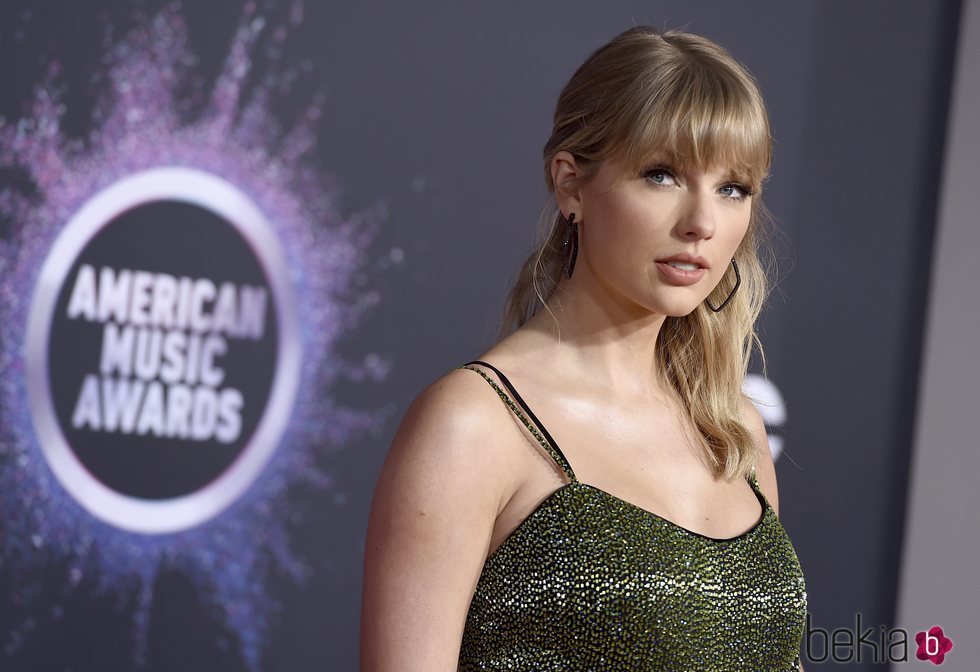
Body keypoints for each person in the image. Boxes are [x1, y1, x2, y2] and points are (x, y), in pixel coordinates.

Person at [360, 25, 807, 671]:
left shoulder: (735, 431)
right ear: (571, 185)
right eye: (661, 174)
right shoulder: (473, 426)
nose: (701, 223)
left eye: (732, 189)